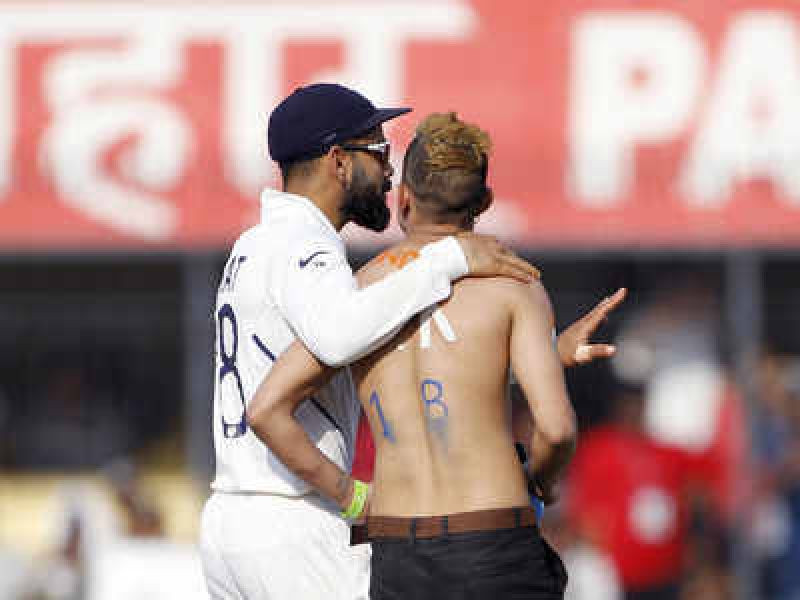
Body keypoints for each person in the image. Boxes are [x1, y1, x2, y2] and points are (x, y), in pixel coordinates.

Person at [247, 112, 625, 599]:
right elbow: (555, 429)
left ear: (403, 199)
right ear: (484, 202)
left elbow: (266, 409)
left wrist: (349, 496)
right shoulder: (513, 285)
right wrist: (540, 483)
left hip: (399, 550)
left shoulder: (361, 295)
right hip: (495, 541)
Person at [198, 84, 542, 600]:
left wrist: (543, 356)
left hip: (232, 520)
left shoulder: (255, 244)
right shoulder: (304, 247)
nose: (388, 172)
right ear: (338, 161)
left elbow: (373, 347)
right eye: (379, 152)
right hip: (290, 521)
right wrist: (451, 259)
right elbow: (341, 337)